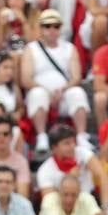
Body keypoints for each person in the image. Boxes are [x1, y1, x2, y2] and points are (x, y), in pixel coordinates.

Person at [20, 9, 89, 154]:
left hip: (63, 92)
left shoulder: (69, 48)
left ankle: (82, 136)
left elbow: (76, 77)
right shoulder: (31, 49)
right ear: (41, 28)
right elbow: (26, 79)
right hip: (41, 91)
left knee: (77, 92)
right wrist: (47, 92)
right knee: (37, 94)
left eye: (56, 26)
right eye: (47, 26)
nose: (52, 30)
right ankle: (41, 136)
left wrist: (62, 90)